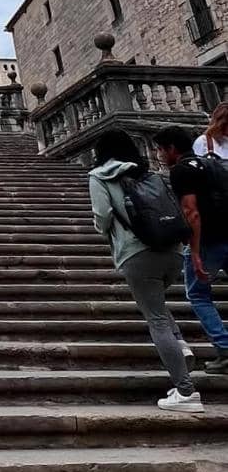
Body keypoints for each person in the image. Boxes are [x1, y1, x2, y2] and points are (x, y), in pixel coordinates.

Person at [90, 129, 201, 411]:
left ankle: (186, 392)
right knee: (157, 305)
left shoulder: (100, 176)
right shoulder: (149, 173)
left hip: (138, 252)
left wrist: (106, 231)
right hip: (172, 252)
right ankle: (181, 345)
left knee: (155, 318)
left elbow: (102, 216)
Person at [155, 124, 228, 375]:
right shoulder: (213, 164)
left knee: (198, 295)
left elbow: (191, 212)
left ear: (172, 149)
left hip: (209, 239)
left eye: (161, 150)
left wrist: (195, 251)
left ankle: (224, 348)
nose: (160, 156)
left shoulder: (181, 171)